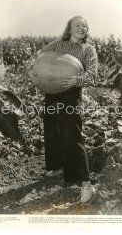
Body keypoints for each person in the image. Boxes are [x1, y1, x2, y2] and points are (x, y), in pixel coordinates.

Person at [29, 16, 99, 203]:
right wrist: (30, 71)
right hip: (51, 93)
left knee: (72, 134)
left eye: (84, 25)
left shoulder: (88, 50)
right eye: (77, 25)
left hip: (71, 94)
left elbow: (93, 74)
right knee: (51, 130)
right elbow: (36, 57)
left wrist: (78, 79)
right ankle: (59, 168)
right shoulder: (57, 45)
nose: (82, 28)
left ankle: (86, 183)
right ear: (69, 28)